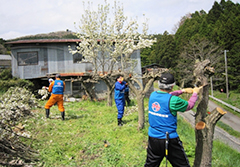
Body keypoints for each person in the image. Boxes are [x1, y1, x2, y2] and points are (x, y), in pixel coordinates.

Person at [145, 73, 201, 167]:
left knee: (151, 164)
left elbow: (167, 95)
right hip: (169, 139)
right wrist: (195, 93)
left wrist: (182, 91)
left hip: (153, 137)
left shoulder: (153, 95)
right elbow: (189, 105)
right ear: (172, 86)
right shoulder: (173, 100)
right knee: (182, 165)